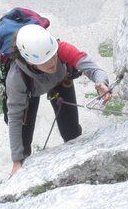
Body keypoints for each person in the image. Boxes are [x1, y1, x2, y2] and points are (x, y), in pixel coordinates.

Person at [7, 24, 112, 177]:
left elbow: (94, 69)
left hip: (60, 82)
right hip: (29, 93)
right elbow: (15, 117)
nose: (52, 62)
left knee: (72, 134)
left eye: (53, 56)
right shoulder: (16, 79)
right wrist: (16, 160)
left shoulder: (61, 49)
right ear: (29, 61)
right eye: (45, 60)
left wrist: (102, 83)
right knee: (23, 149)